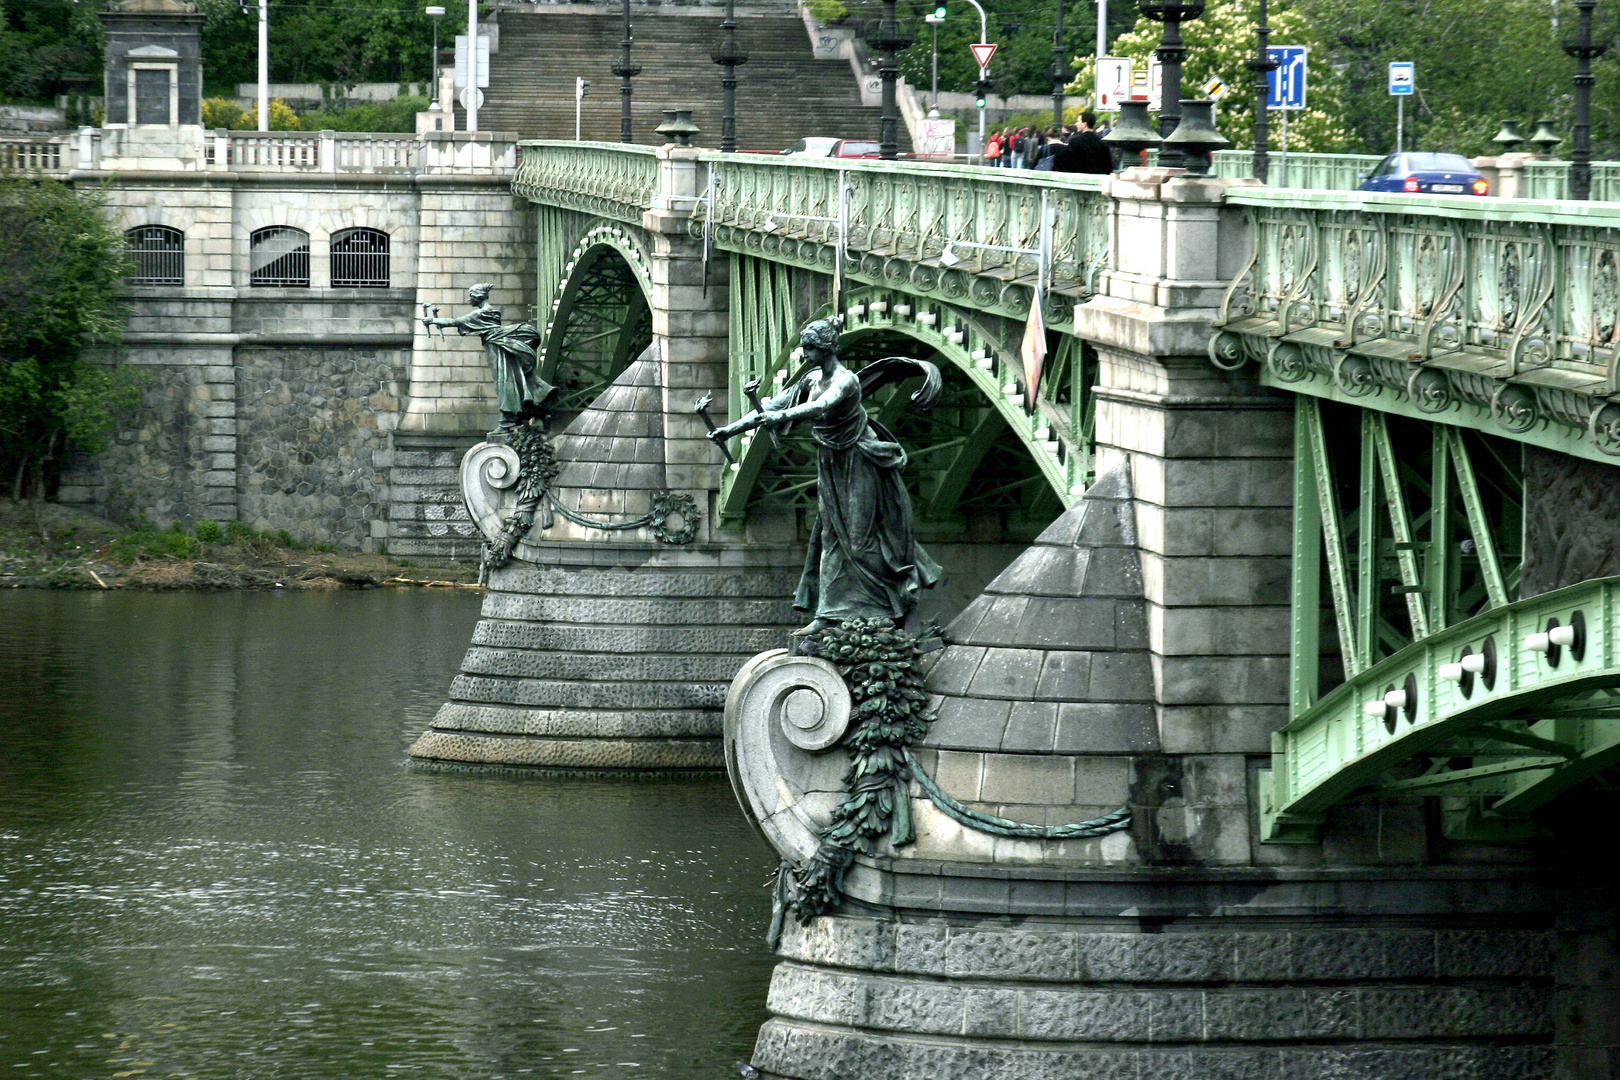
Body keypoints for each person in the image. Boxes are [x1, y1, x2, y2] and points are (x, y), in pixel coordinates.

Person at [707, 318, 942, 636]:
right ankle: (828, 615)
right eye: (804, 347)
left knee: (859, 541)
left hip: (860, 461)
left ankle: (899, 607)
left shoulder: (846, 381)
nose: (804, 354)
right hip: (830, 463)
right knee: (830, 537)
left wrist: (783, 416)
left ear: (827, 347)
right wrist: (728, 429)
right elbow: (769, 406)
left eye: (809, 348)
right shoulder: (811, 377)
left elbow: (820, 407)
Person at [425, 282, 554, 433]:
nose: (469, 300)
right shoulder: (490, 311)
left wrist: (432, 320)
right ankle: (524, 414)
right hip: (499, 349)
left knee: (504, 384)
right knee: (512, 380)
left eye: (471, 296)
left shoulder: (482, 313)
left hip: (497, 351)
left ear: (478, 297)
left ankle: (507, 422)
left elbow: (456, 321)